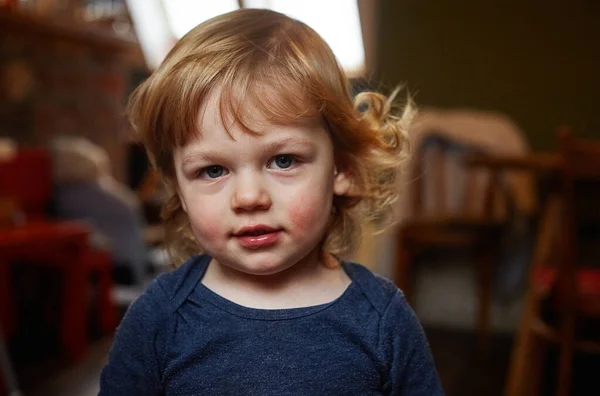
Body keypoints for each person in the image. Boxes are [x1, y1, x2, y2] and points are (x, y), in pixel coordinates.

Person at [99, 8, 444, 396]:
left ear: (341, 169)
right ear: (177, 187)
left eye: (283, 161)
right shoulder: (159, 318)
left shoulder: (383, 321)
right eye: (213, 170)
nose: (249, 198)